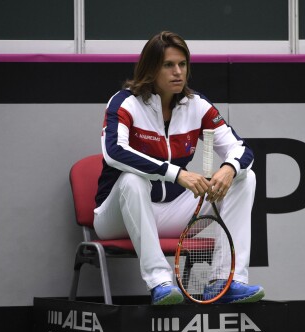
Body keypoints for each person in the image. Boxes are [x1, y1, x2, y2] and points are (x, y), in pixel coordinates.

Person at [93, 31, 263, 305]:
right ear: (150, 69)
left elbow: (242, 149)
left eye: (182, 64)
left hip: (172, 213)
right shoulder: (125, 103)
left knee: (246, 177)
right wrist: (176, 173)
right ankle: (160, 282)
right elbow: (114, 152)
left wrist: (230, 168)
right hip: (115, 218)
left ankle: (225, 282)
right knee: (132, 181)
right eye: (168, 65)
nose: (178, 72)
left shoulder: (197, 105)